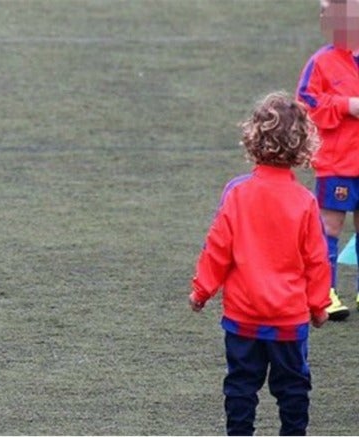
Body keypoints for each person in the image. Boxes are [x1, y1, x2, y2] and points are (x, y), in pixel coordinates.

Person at [189, 91, 331, 436]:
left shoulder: (238, 194)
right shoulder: (304, 201)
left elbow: (217, 248)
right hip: (288, 318)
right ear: (303, 145)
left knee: (241, 385)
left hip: (243, 317)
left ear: (253, 138)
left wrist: (202, 290)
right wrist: (318, 304)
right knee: (293, 388)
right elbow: (316, 259)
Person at [296, 0, 359, 320]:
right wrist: (345, 105)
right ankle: (325, 293)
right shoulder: (321, 62)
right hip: (337, 162)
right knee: (330, 227)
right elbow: (305, 103)